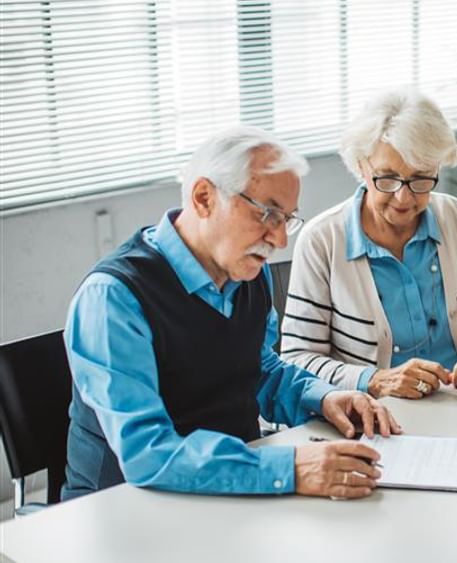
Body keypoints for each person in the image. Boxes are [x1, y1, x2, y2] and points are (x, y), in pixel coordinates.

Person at [62, 126, 401, 502]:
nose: (280, 240)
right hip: (124, 510)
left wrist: (324, 398)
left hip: (228, 492)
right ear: (204, 197)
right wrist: (290, 468)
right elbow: (147, 454)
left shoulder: (247, 272)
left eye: (286, 219)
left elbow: (259, 371)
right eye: (268, 213)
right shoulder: (113, 298)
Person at [280, 89, 457, 399]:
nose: (404, 197)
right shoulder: (321, 241)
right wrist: (375, 379)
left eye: (421, 178)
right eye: (387, 177)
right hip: (379, 417)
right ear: (362, 166)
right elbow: (297, 360)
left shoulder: (456, 218)